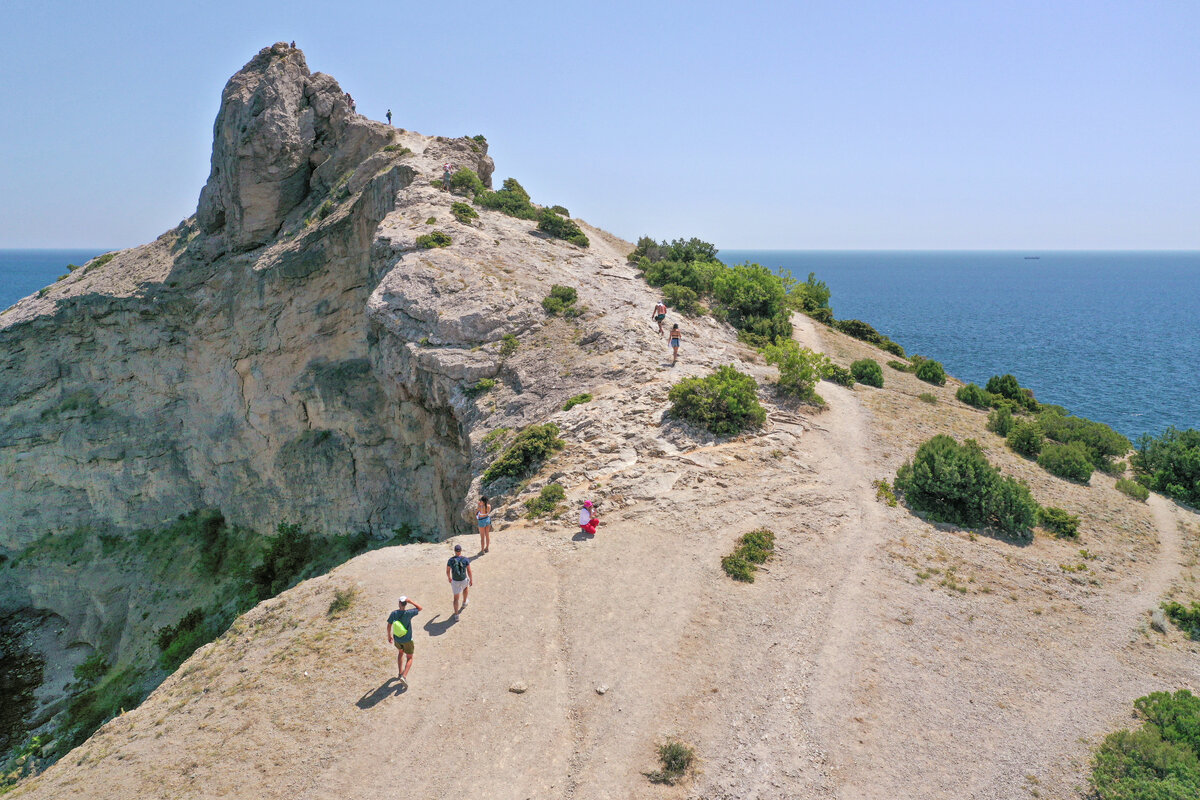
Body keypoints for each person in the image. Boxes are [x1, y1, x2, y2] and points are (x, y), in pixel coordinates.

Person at [386, 596, 422, 683]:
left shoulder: (393, 613)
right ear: (406, 604)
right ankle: (404, 676)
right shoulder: (409, 613)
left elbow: (389, 625)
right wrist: (411, 601)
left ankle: (400, 673)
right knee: (409, 657)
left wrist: (389, 636)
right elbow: (420, 608)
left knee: (400, 653)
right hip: (408, 640)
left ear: (399, 603)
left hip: (397, 639)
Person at [447, 544, 473, 616]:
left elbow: (448, 570)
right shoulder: (465, 559)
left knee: (456, 599)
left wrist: (449, 578)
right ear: (461, 551)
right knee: (465, 588)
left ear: (454, 551)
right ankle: (464, 602)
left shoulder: (450, 560)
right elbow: (469, 571)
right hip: (463, 579)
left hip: (455, 580)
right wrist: (471, 579)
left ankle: (456, 615)